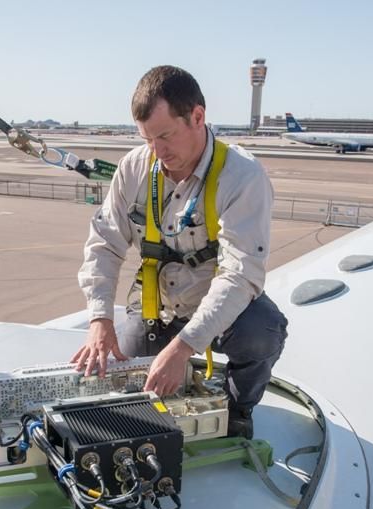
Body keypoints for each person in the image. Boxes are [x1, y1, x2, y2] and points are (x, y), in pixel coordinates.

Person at [72, 66, 288, 438]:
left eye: (165, 136)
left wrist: (184, 347)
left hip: (219, 310)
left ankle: (238, 410)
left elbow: (240, 275)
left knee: (263, 332)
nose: (156, 151)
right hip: (159, 306)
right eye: (147, 139)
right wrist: (100, 319)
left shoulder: (241, 177)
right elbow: (105, 242)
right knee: (129, 378)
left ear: (198, 117)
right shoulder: (136, 167)